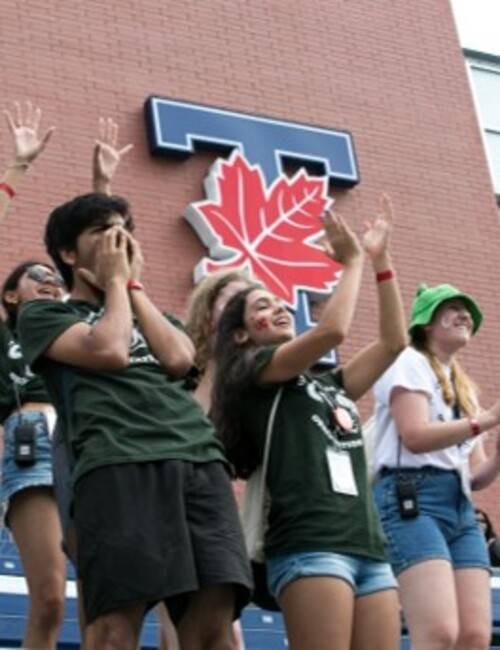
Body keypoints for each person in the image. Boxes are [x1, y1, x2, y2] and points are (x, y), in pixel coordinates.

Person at [17, 192, 252, 650]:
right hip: (117, 462)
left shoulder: (152, 314)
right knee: (113, 631)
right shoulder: (46, 314)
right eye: (102, 230)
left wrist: (131, 286)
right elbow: (109, 349)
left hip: (198, 458)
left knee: (213, 630)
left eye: (125, 226)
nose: (119, 236)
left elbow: (181, 358)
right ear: (68, 253)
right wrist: (117, 287)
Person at [211, 197, 407, 650]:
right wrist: (352, 261)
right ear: (241, 334)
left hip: (368, 546)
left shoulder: (327, 385)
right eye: (262, 306)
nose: (278, 308)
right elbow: (332, 332)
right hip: (308, 544)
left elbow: (394, 342)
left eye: (280, 302)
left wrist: (381, 260)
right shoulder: (256, 371)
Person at [372, 283, 500, 650]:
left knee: (475, 636)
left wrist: (498, 456)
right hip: (411, 495)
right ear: (427, 323)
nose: (464, 316)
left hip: (458, 504)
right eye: (453, 308)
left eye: (468, 312)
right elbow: (414, 436)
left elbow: (474, 477)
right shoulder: (408, 361)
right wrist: (487, 420)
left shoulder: (464, 388)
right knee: (439, 633)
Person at [186, 268, 255, 650]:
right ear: (209, 310)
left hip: (219, 513)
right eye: (230, 298)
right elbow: (195, 421)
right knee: (181, 630)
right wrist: (217, 356)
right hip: (170, 499)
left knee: (227, 634)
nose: (240, 306)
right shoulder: (180, 364)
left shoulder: (258, 376)